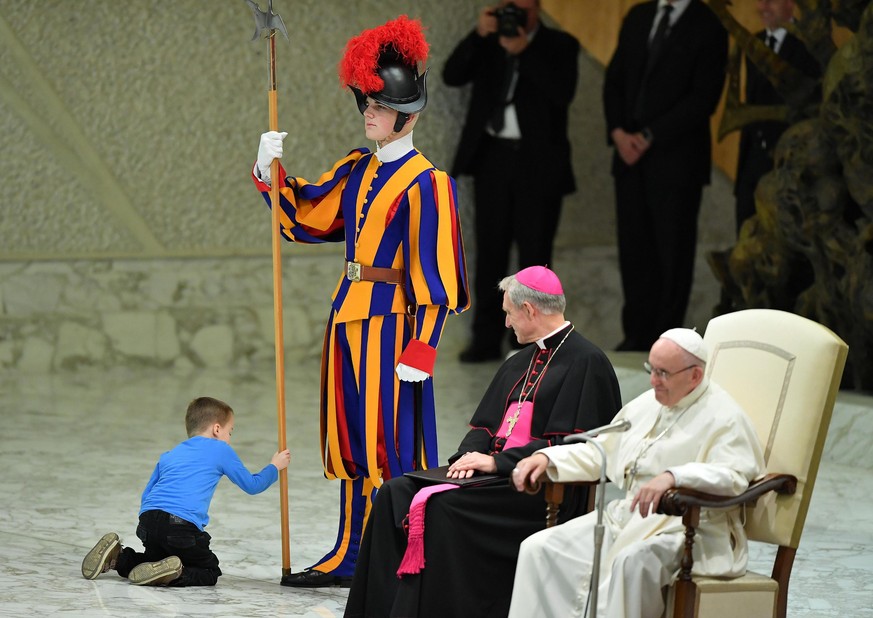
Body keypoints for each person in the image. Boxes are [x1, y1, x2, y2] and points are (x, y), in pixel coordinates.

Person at [251, 16, 469, 587]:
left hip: (394, 326)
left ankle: (393, 554)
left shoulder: (429, 184)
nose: (368, 112)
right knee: (350, 440)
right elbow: (305, 218)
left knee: (389, 445)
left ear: (408, 113)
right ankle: (351, 552)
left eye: (378, 103)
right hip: (348, 317)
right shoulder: (357, 168)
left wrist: (423, 349)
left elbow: (437, 275)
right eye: (365, 101)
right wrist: (266, 171)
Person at [344, 266, 622, 618]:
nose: (506, 323)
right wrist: (470, 455)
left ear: (530, 310)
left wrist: (496, 463)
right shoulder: (519, 360)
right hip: (493, 479)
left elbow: (578, 446)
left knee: (438, 510)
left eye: (508, 313)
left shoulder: (588, 363)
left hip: (536, 489)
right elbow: (484, 425)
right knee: (393, 494)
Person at [508, 328, 766, 618]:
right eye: (651, 369)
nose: (654, 381)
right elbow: (601, 451)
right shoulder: (647, 404)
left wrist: (674, 477)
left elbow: (733, 477)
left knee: (631, 562)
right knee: (539, 548)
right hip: (627, 518)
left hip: (687, 528)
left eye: (664, 373)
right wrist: (546, 458)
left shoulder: (725, 417)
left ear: (694, 375)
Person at [443, 0, 580, 363]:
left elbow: (562, 93)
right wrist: (479, 34)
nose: (515, 15)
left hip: (539, 164)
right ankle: (486, 338)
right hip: (493, 160)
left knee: (535, 257)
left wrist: (526, 51)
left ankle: (533, 339)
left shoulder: (560, 44)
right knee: (490, 253)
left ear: (536, 9)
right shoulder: (490, 41)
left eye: (523, 7)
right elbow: (451, 74)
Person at [603, 0, 728, 352]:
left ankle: (667, 340)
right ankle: (637, 334)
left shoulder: (708, 24)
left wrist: (649, 135)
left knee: (672, 253)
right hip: (629, 158)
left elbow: (703, 97)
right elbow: (615, 80)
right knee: (634, 249)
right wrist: (617, 132)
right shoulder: (640, 15)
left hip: (676, 161)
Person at [81, 396, 291, 587]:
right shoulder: (221, 449)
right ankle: (174, 573)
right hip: (179, 527)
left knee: (154, 559)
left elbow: (147, 495)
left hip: (147, 522)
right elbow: (252, 485)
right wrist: (275, 466)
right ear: (217, 429)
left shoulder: (170, 454)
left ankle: (119, 558)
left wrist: (153, 525)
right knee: (209, 571)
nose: (230, 438)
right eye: (230, 432)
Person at [734, 0, 820, 235]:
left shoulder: (808, 47)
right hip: (750, 170)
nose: (762, 7)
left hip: (785, 170)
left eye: (770, 1)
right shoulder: (755, 43)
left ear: (790, 4)